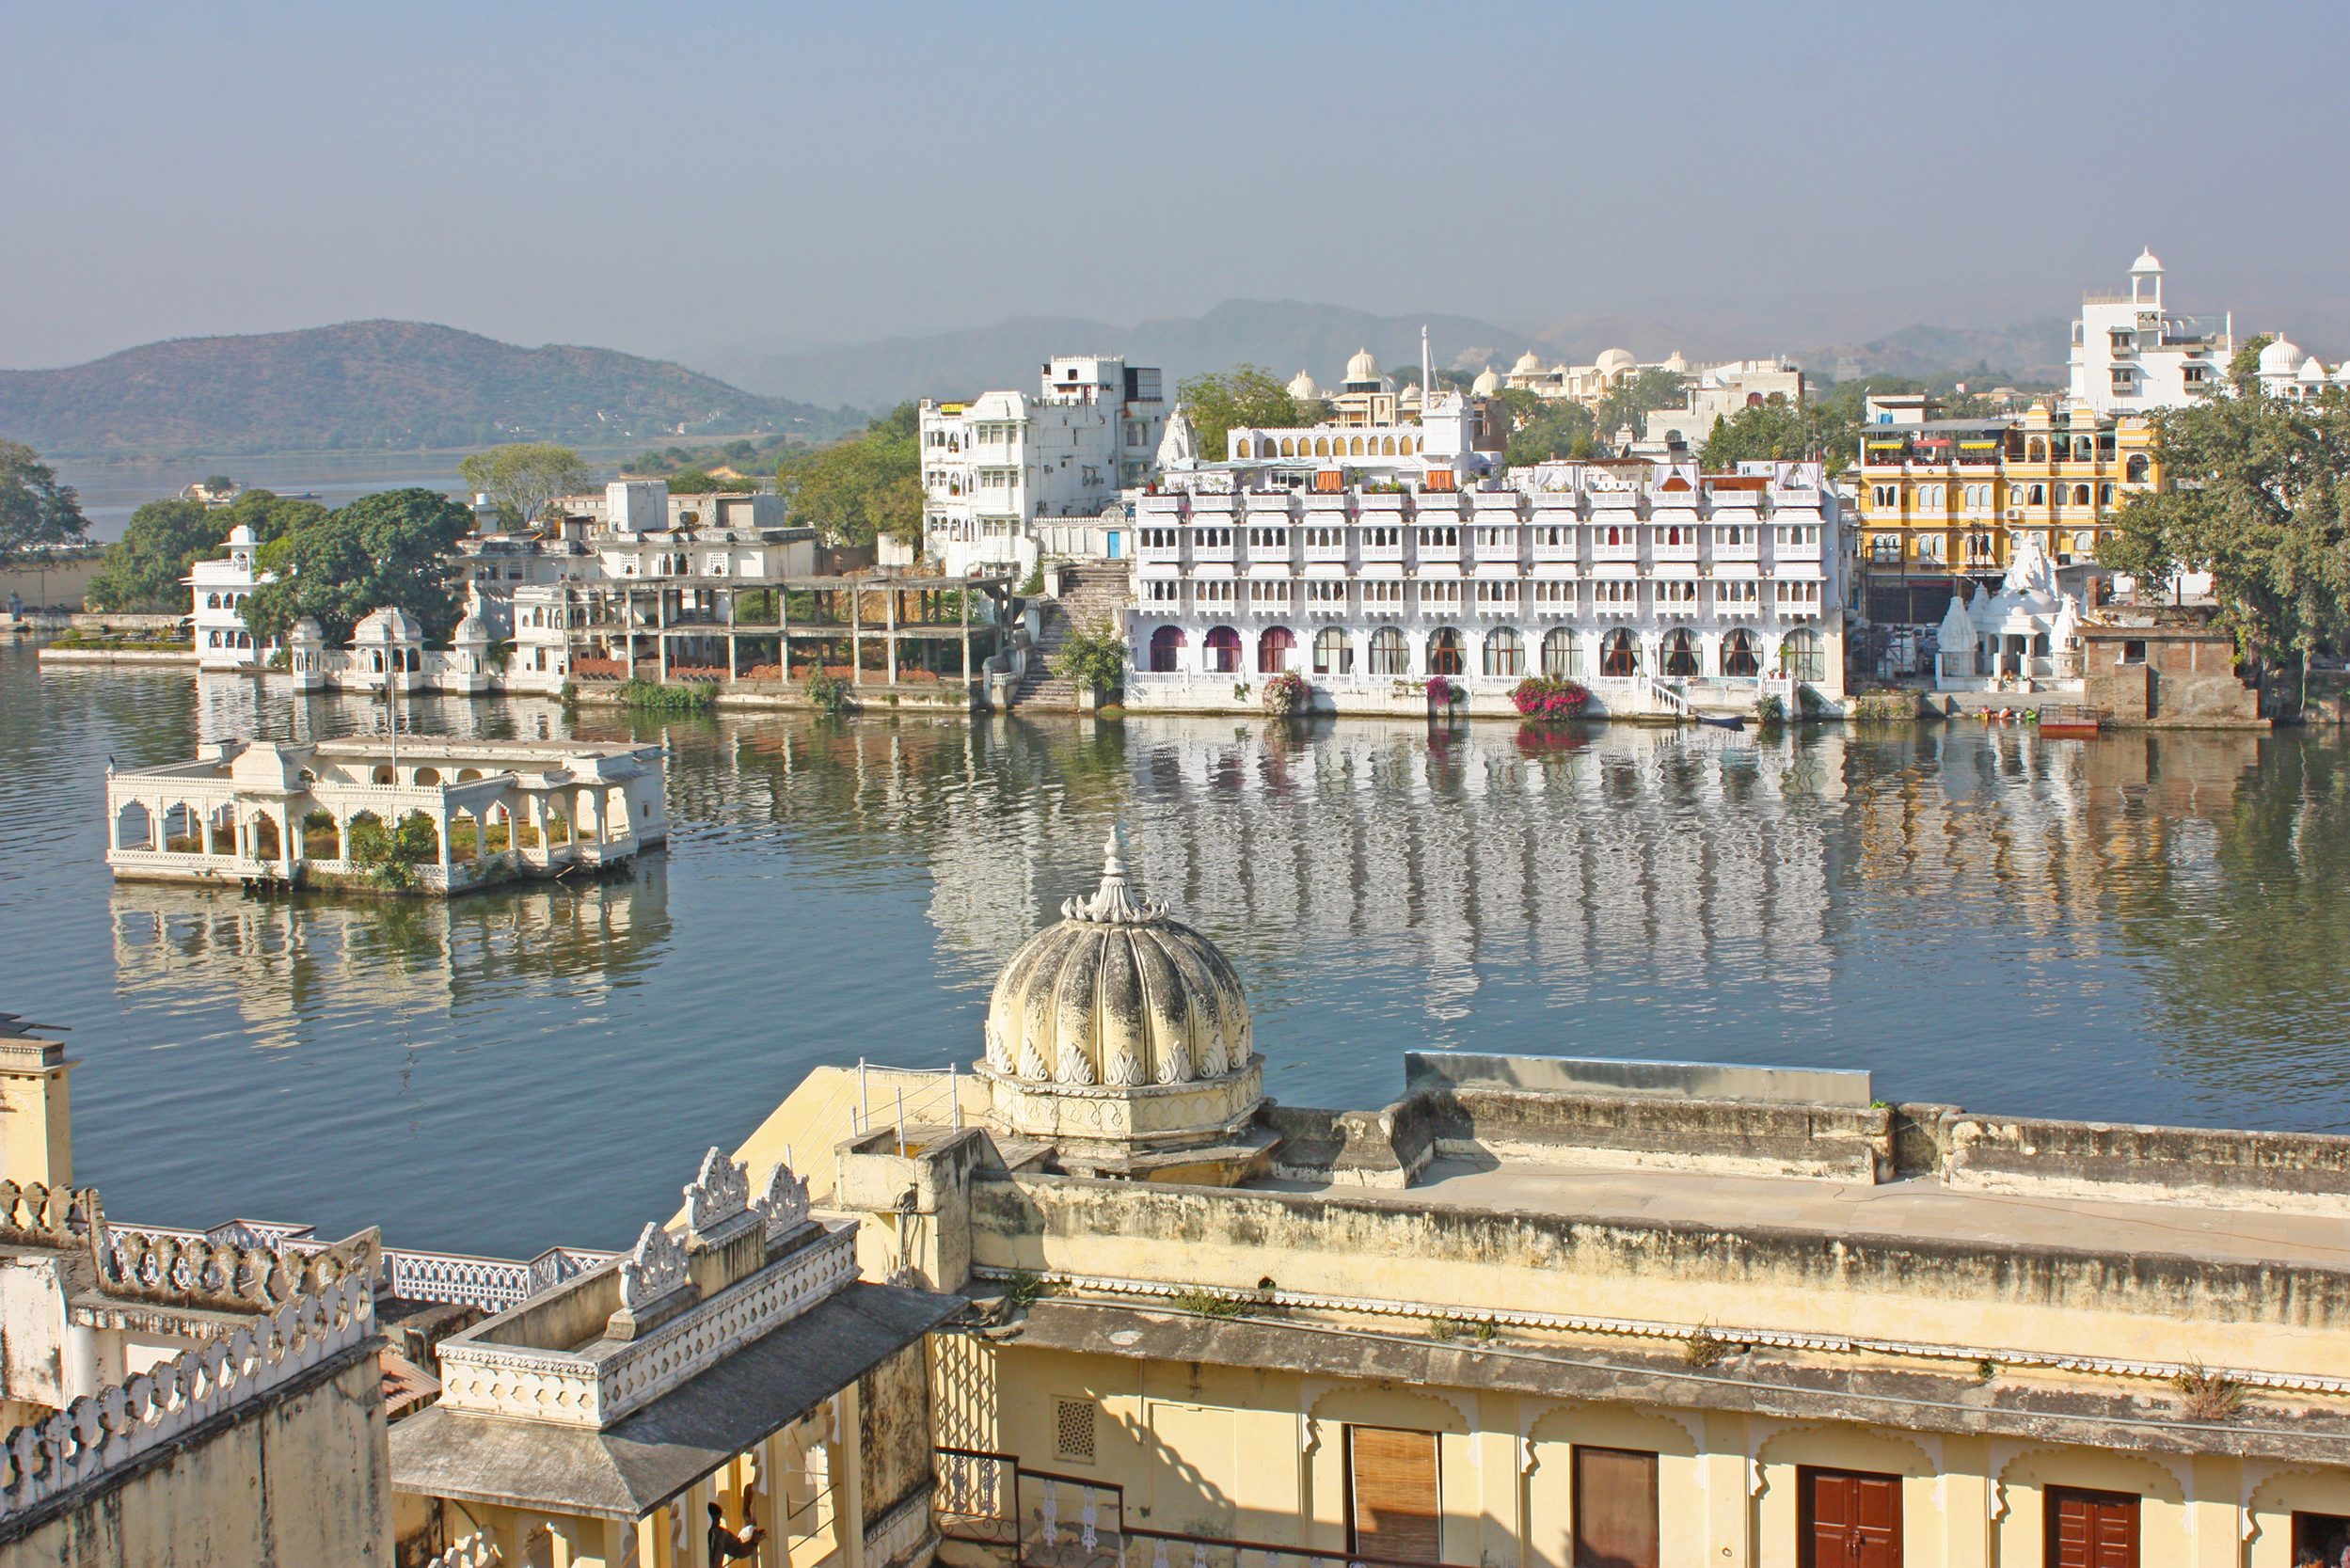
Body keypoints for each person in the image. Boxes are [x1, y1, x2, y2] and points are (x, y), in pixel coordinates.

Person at [708, 1499, 766, 1564]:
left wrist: (753, 1542)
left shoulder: (722, 1534)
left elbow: (739, 1550)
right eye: (716, 1519)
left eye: (719, 1519)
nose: (719, 1522)